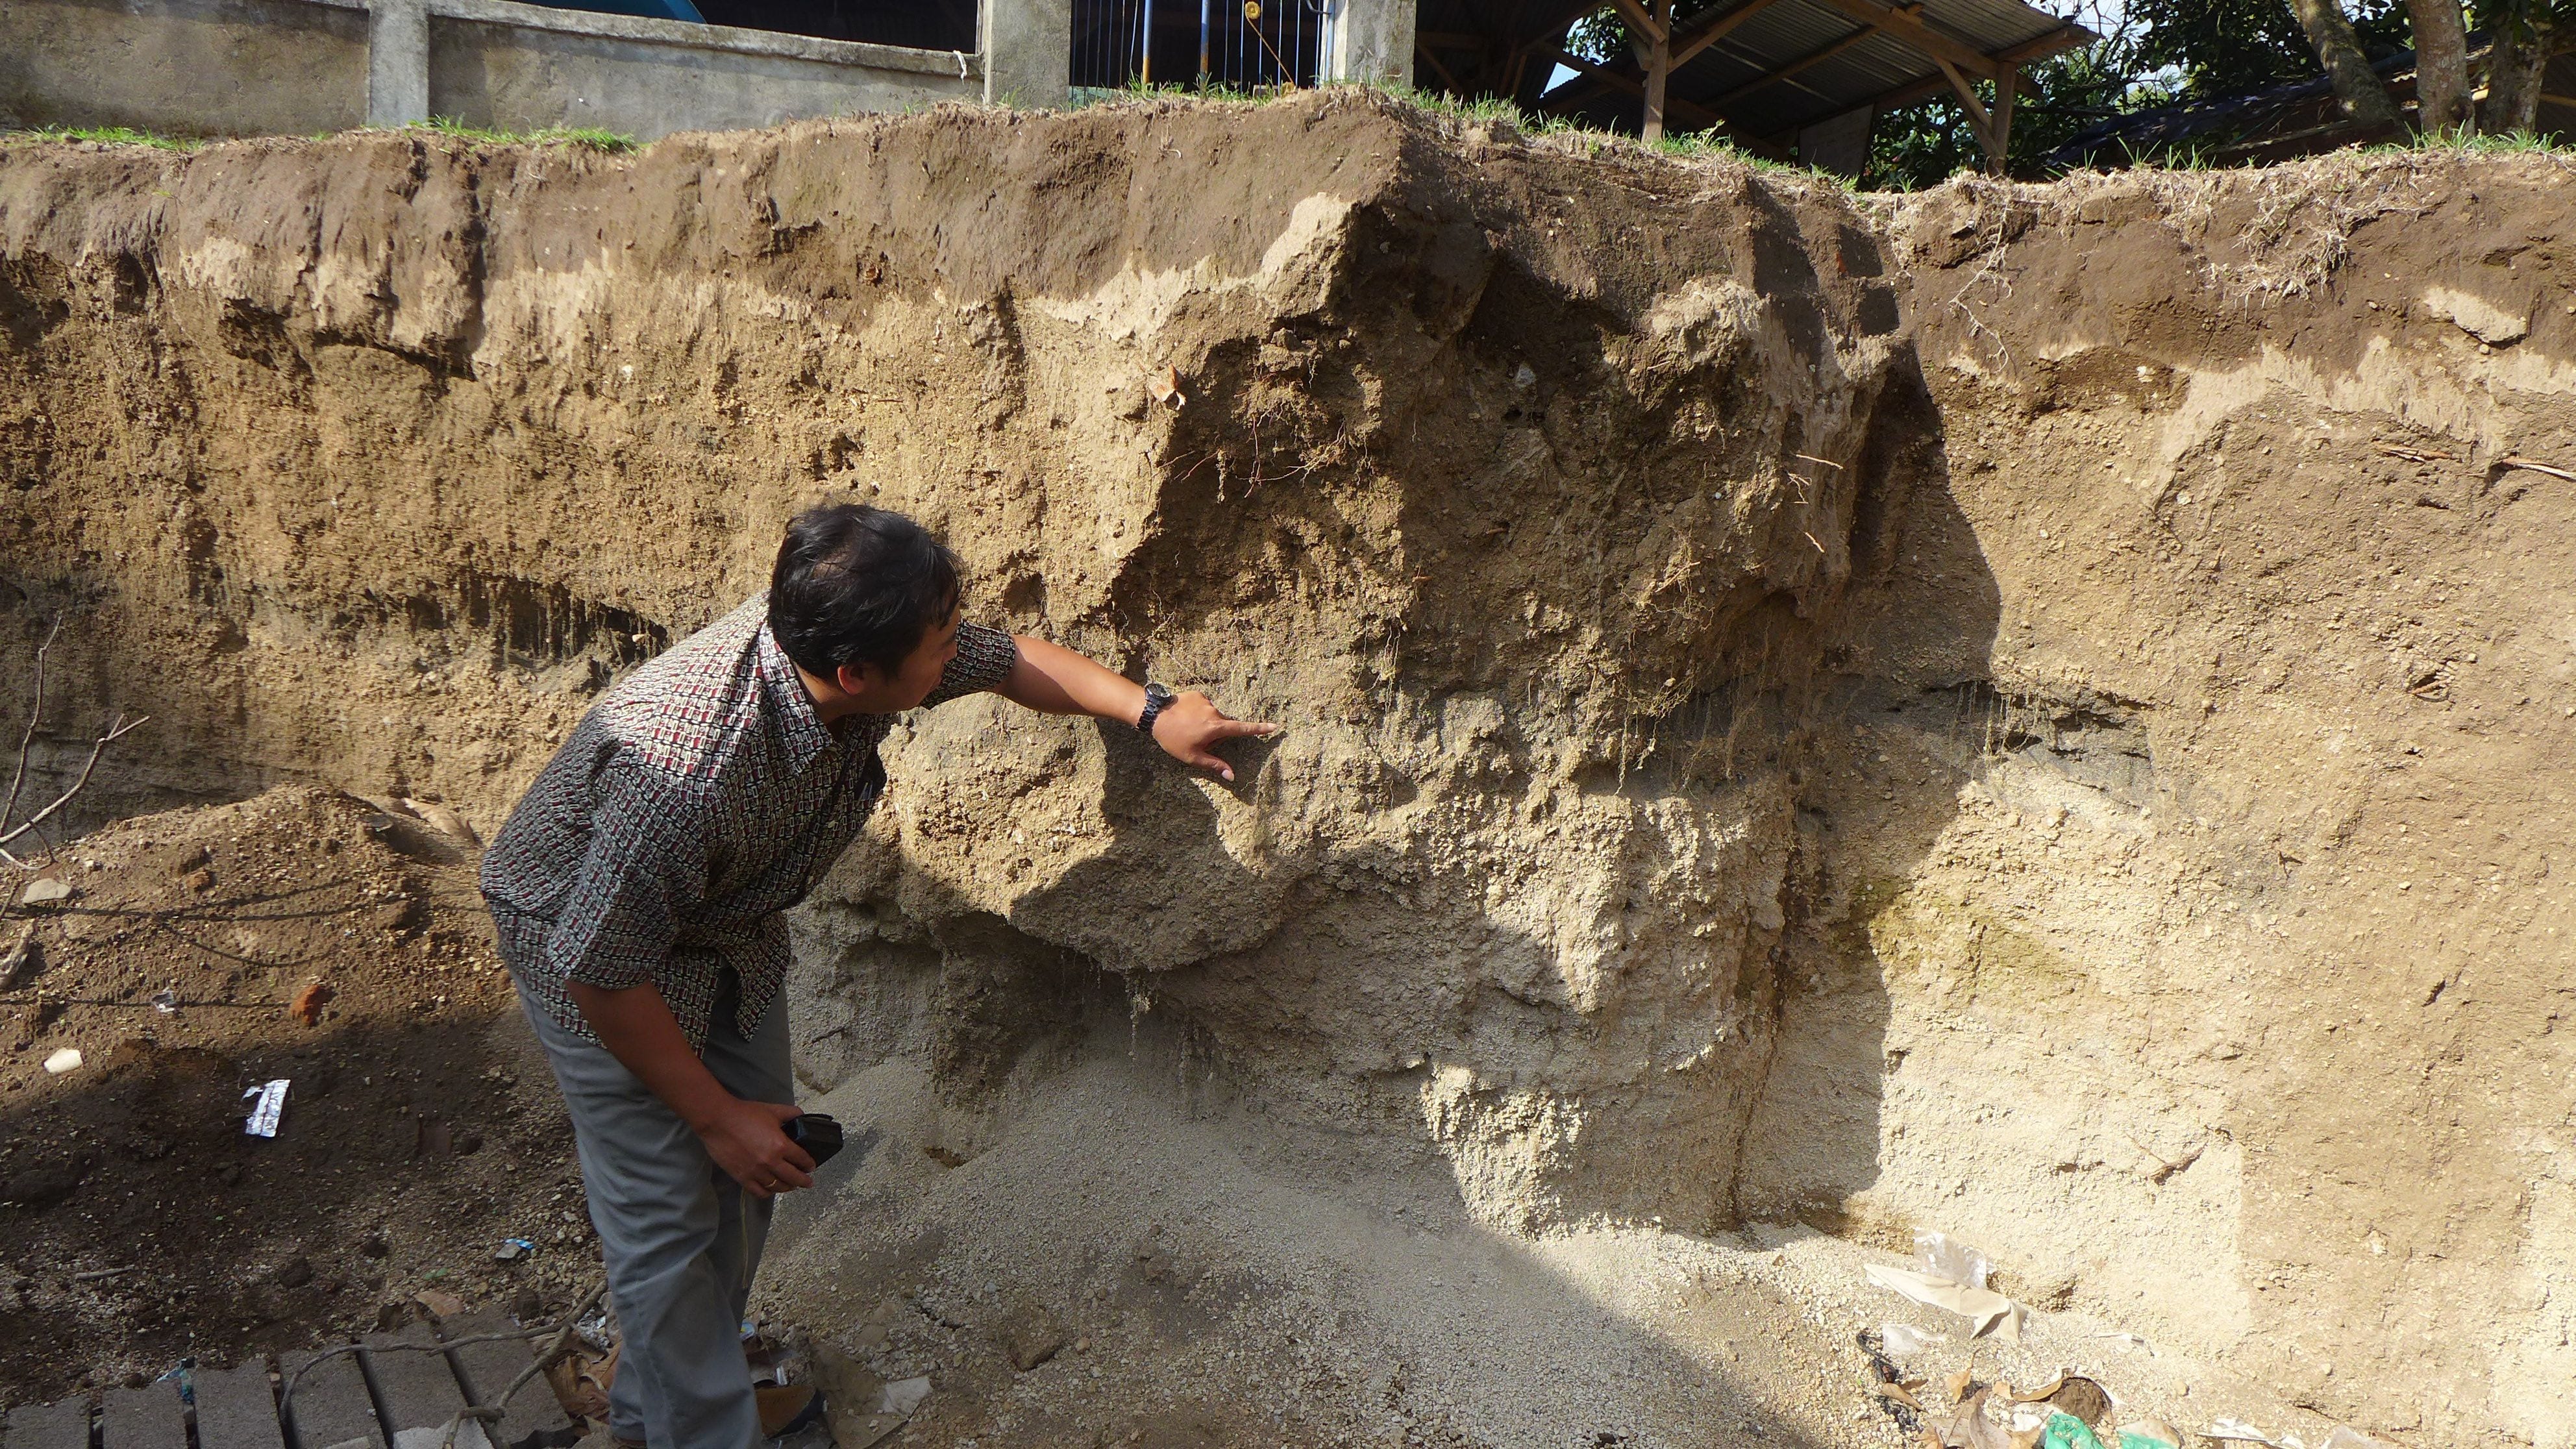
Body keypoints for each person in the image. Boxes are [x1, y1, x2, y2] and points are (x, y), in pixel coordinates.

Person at [477, 502, 1274, 1449]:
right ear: (859, 674)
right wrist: (712, 1114)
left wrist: (1152, 710)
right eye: (935, 648)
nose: (954, 658)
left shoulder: (848, 651)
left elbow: (1007, 657)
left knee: (757, 1168)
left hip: (723, 931)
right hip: (590, 953)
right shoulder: (687, 769)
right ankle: (697, 1426)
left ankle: (664, 1396)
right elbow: (603, 972)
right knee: (666, 1220)